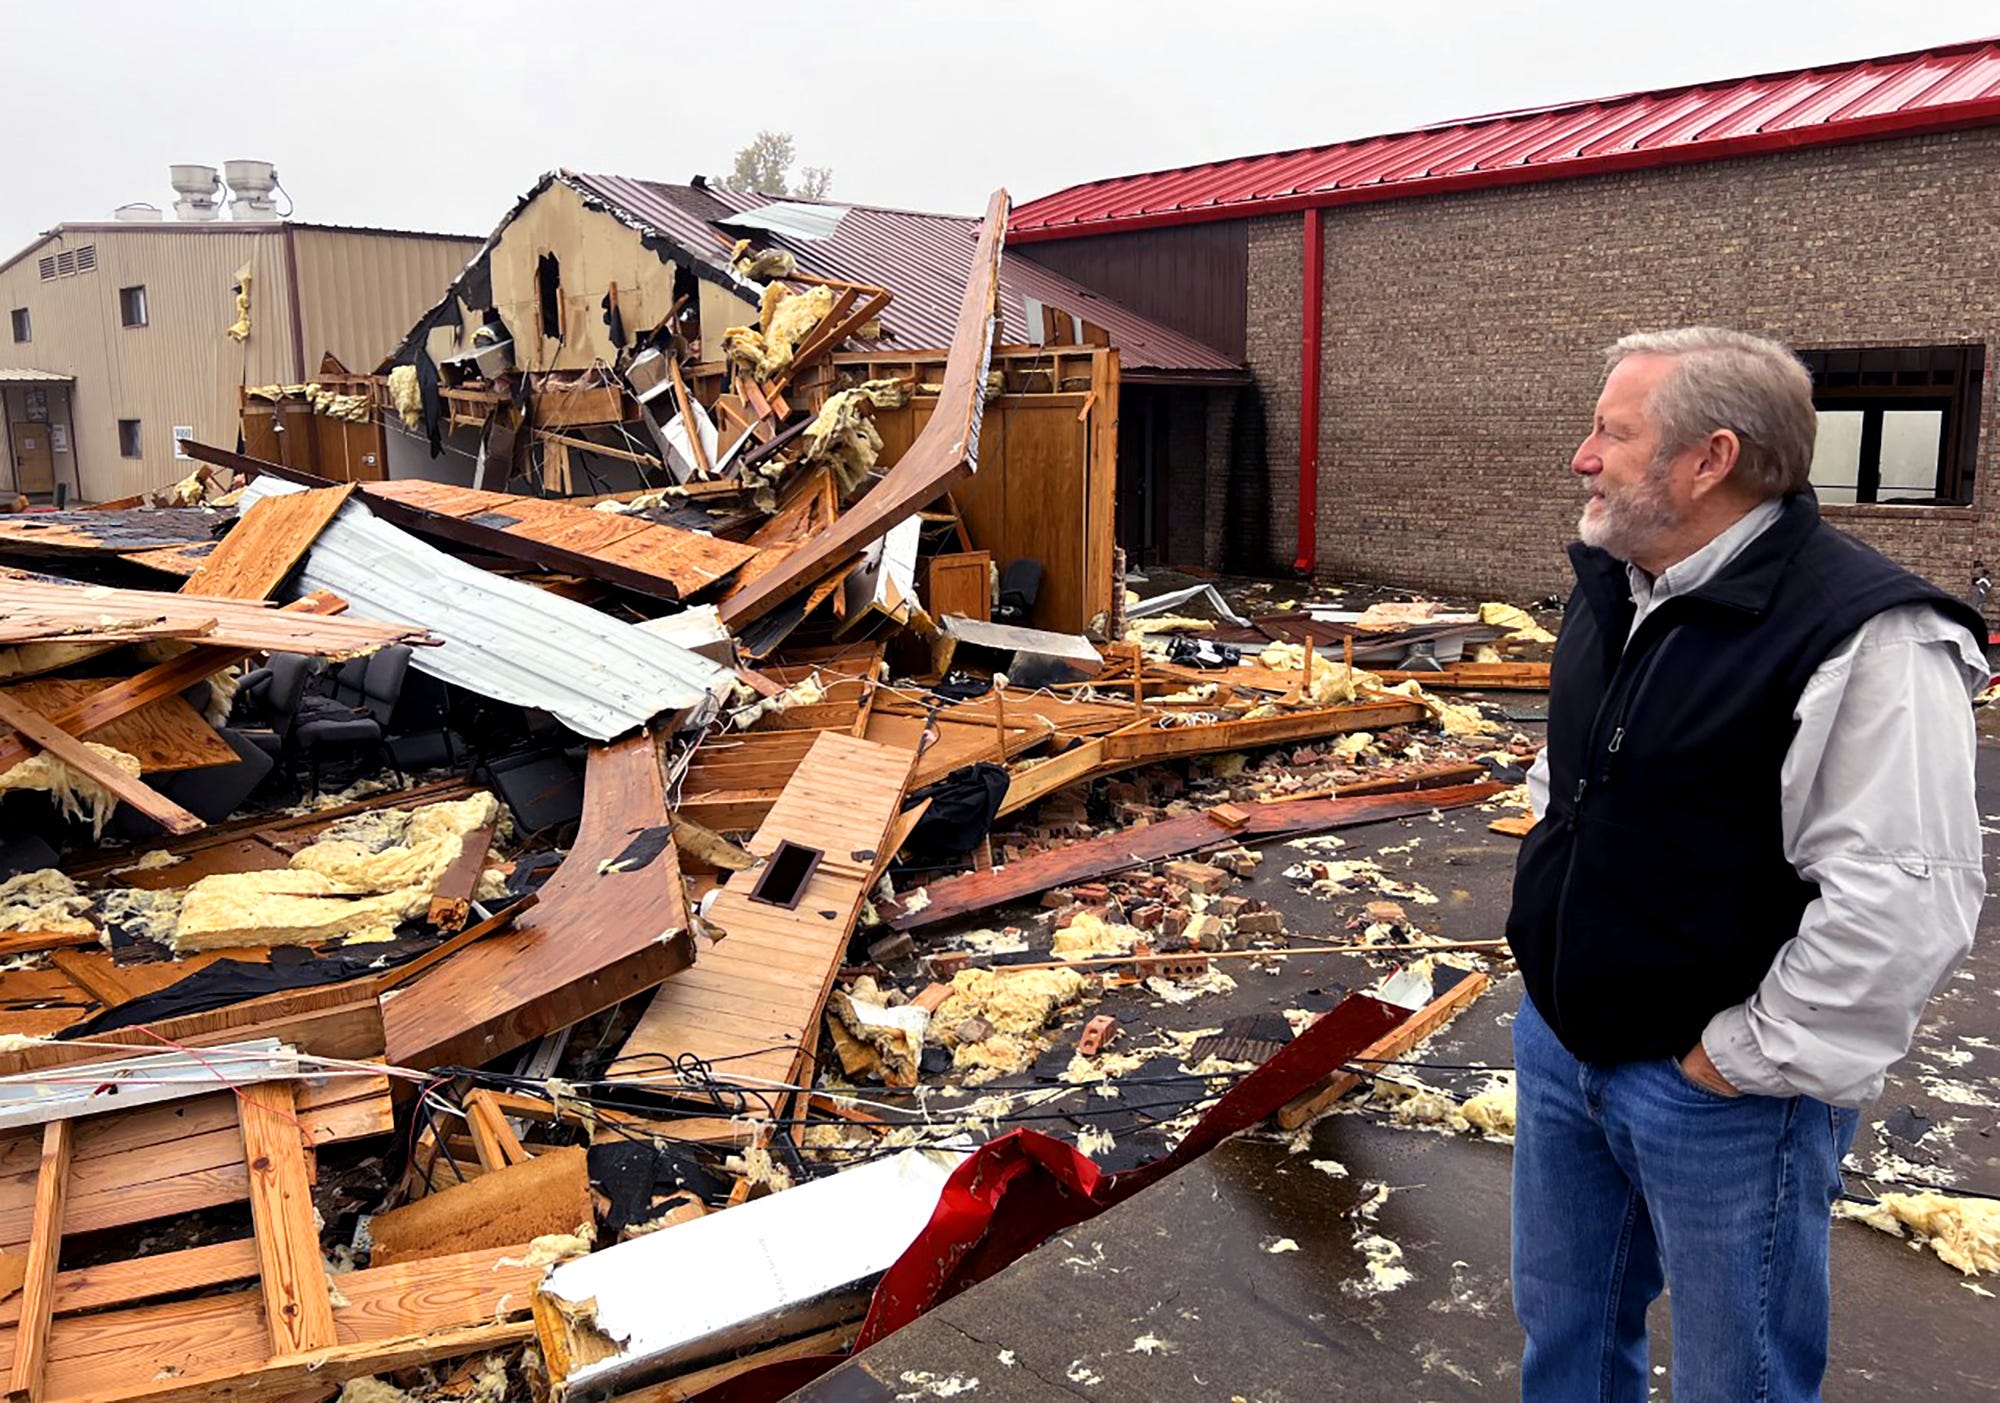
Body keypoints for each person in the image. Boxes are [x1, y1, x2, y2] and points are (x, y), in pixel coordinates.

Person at [1505, 327, 1987, 1401]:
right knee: (1565, 1334)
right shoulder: (1615, 586)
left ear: (1707, 459)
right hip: (1560, 1040)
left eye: (1610, 432)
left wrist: (1738, 1058)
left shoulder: (1867, 637)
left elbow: (1901, 900)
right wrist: (1547, 958)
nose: (1581, 455)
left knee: (1740, 1378)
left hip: (1720, 1089)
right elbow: (1568, 786)